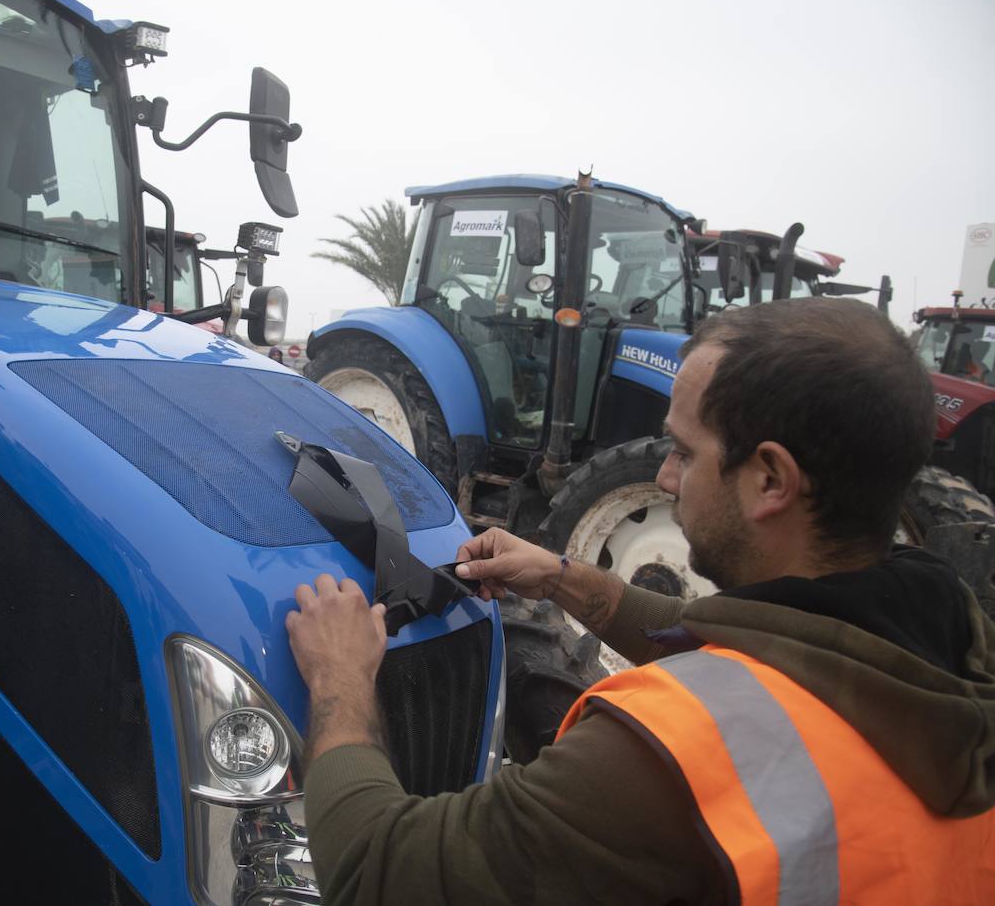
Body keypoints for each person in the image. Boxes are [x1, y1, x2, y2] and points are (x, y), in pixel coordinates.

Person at [286, 297, 995, 904]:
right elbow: (773, 648)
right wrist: (565, 577)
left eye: (685, 452)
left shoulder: (658, 755)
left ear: (771, 480)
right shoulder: (951, 633)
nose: (663, 473)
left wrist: (341, 685)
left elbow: (378, 872)